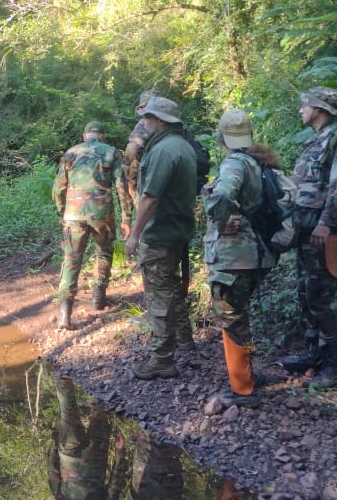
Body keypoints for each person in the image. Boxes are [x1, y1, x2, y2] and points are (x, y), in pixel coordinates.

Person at [203, 109, 286, 408]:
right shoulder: (258, 162)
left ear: (223, 136)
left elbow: (223, 196)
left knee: (231, 318)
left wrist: (219, 218)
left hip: (234, 258)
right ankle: (247, 375)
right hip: (257, 255)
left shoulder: (235, 164)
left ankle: (242, 390)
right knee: (239, 316)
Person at [280, 86, 337, 389]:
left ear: (320, 108)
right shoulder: (317, 139)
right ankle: (313, 354)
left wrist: (326, 222)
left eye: (305, 104)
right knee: (305, 293)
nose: (301, 109)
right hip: (305, 231)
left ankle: (335, 365)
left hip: (323, 233)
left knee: (321, 296)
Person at [123, 97, 199, 379]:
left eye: (148, 118)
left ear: (161, 121)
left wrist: (135, 235)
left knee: (158, 296)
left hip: (160, 233)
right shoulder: (181, 145)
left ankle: (162, 359)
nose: (143, 123)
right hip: (176, 230)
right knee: (170, 285)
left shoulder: (165, 150)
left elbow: (150, 197)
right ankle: (185, 340)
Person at [52, 121, 133, 330]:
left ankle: (64, 312)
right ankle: (98, 297)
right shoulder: (111, 152)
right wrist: (126, 219)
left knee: (71, 259)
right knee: (104, 252)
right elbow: (121, 187)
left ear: (84, 135)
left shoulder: (71, 153)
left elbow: (58, 188)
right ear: (102, 136)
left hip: (73, 214)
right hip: (101, 213)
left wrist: (62, 212)